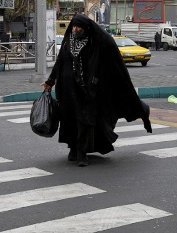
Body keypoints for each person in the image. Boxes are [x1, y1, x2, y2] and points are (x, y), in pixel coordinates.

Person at [42, 14, 152, 167]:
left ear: (86, 28)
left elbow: (103, 64)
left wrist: (94, 82)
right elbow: (60, 62)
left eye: (78, 27)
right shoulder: (68, 41)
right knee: (69, 119)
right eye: (73, 26)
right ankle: (73, 149)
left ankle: (82, 153)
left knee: (84, 120)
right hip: (67, 89)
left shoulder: (94, 43)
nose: (75, 29)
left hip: (87, 90)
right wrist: (50, 81)